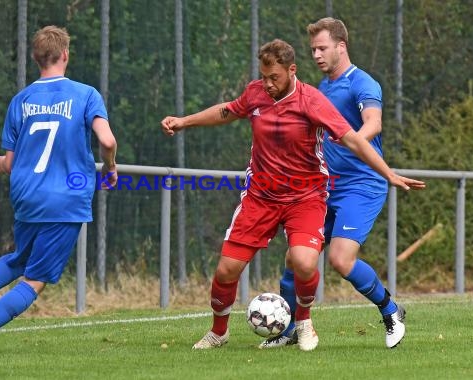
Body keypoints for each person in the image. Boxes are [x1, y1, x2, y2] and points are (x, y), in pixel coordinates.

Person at [160, 38, 424, 351]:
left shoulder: (311, 100)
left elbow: (353, 140)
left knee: (304, 261)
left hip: (305, 197)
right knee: (226, 270)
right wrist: (183, 121)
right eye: (264, 76)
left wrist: (388, 172)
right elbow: (228, 111)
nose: (268, 84)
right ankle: (219, 332)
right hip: (260, 196)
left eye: (275, 78)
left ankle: (304, 323)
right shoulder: (255, 92)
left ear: (292, 70)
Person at [0, 25, 117, 355]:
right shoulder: (86, 94)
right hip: (65, 198)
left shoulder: (20, 100)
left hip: (26, 195)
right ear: (65, 54)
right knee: (34, 280)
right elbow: (107, 140)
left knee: (19, 258)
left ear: (36, 59)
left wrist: (1, 164)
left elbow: (10, 162)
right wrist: (110, 168)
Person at [260, 17, 409, 350]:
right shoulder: (322, 88)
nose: (316, 54)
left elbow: (374, 122)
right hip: (325, 187)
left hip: (362, 185)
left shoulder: (363, 83)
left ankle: (391, 311)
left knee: (341, 260)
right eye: (313, 49)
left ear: (341, 46)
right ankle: (288, 330)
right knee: (296, 259)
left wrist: (350, 139)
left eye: (322, 48)